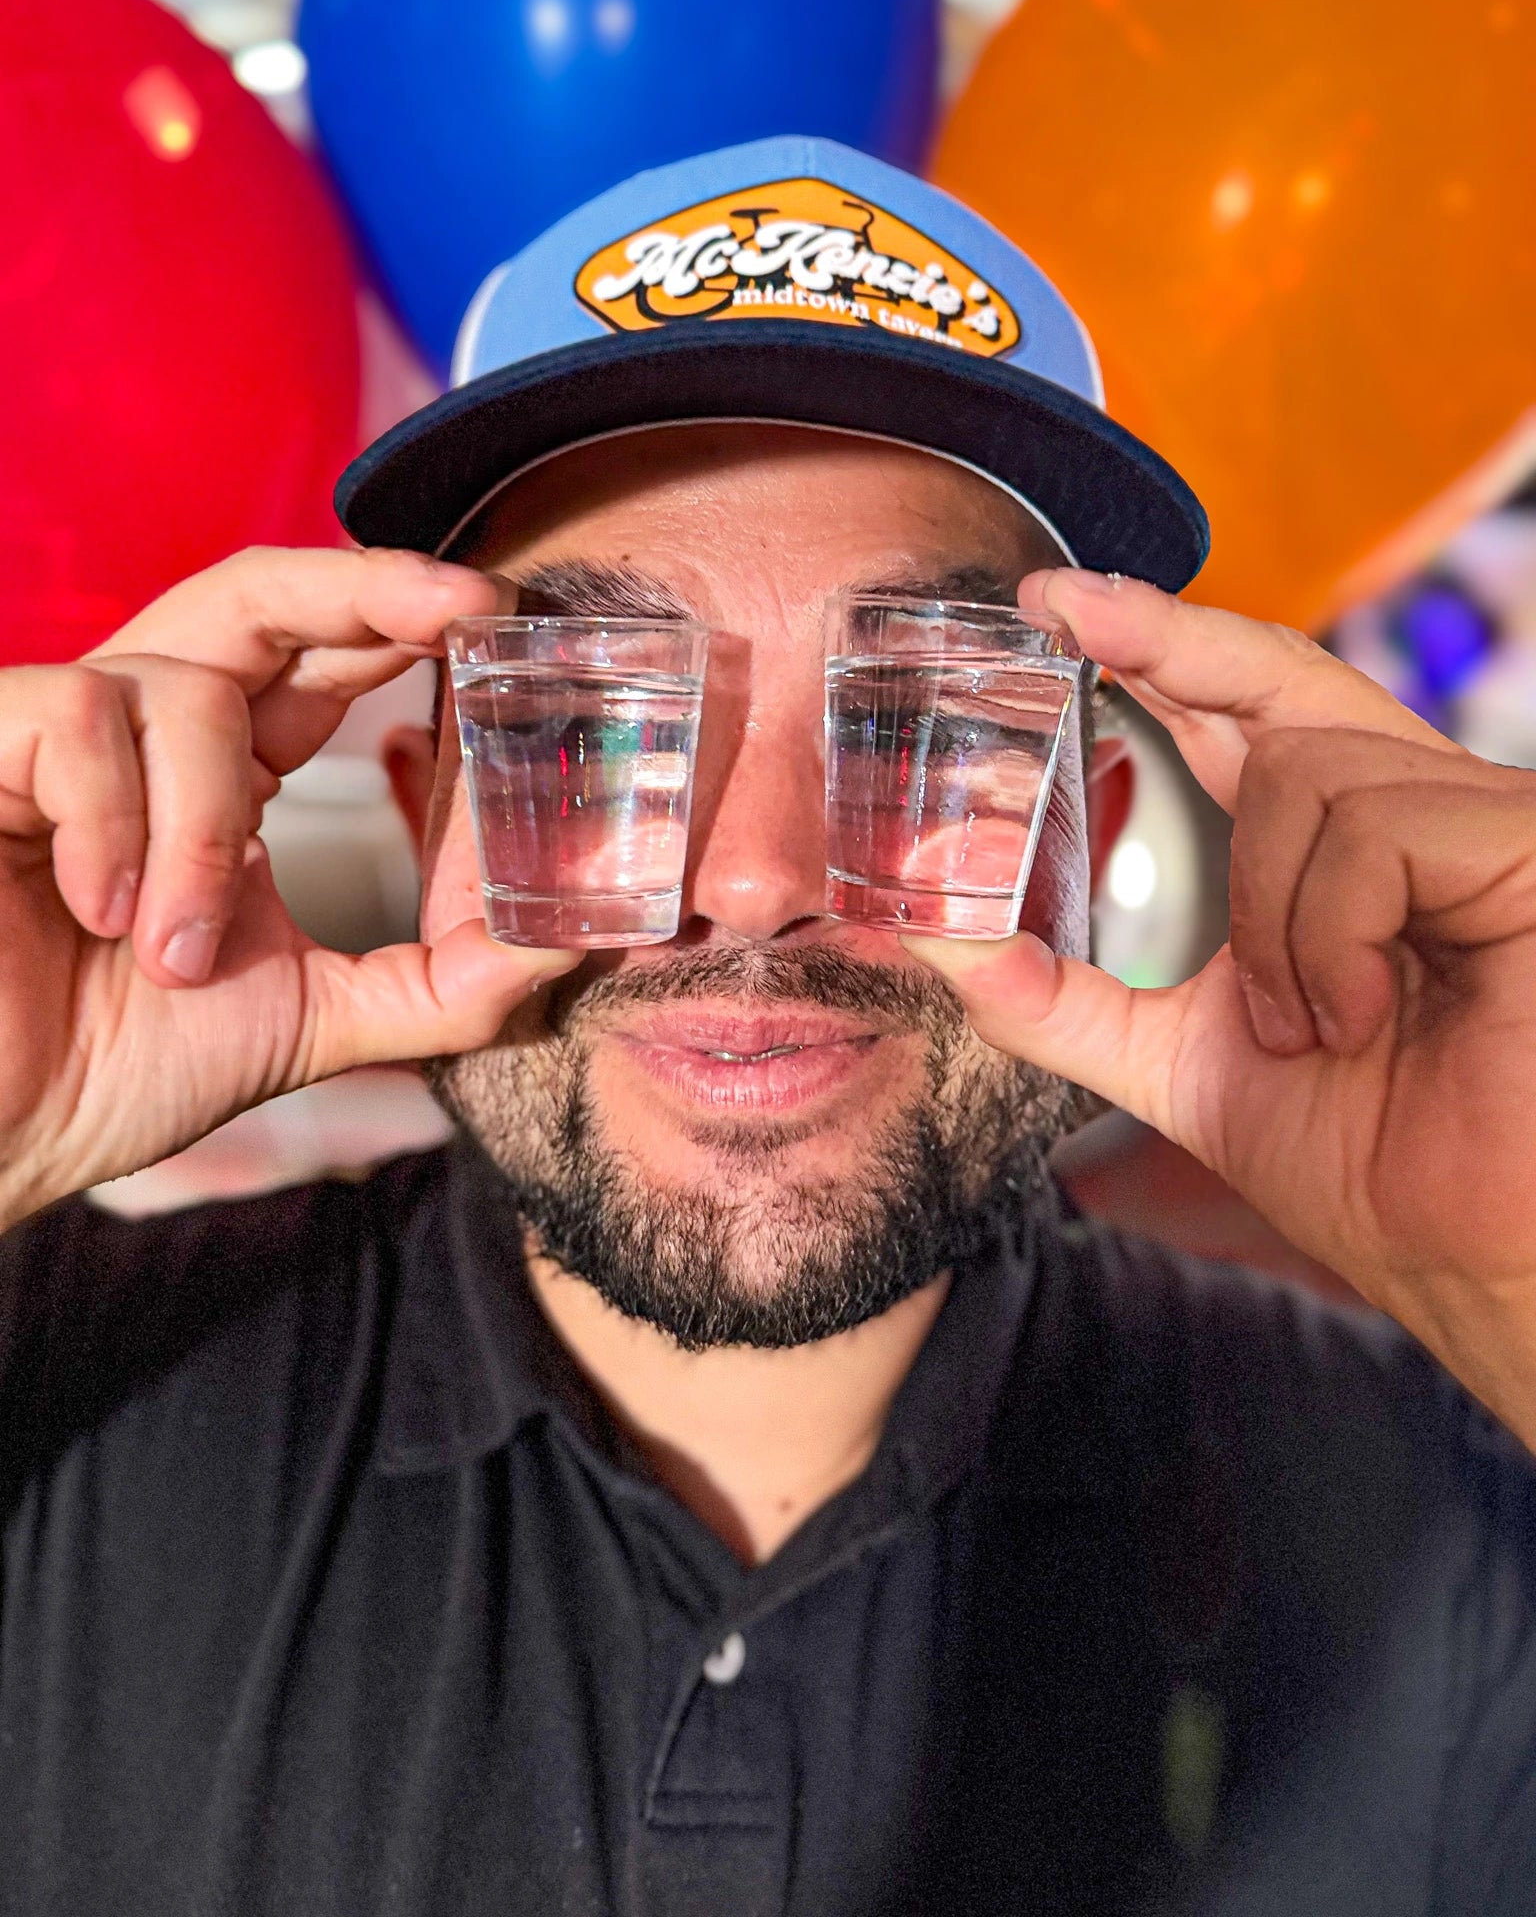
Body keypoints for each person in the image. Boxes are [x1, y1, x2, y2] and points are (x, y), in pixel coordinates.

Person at [2, 137, 1535, 1917]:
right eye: (592, 724)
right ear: (435, 822)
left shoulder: (1438, 1508)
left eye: (926, 722)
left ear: (1089, 851)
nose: (753, 880)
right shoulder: (61, 1392)